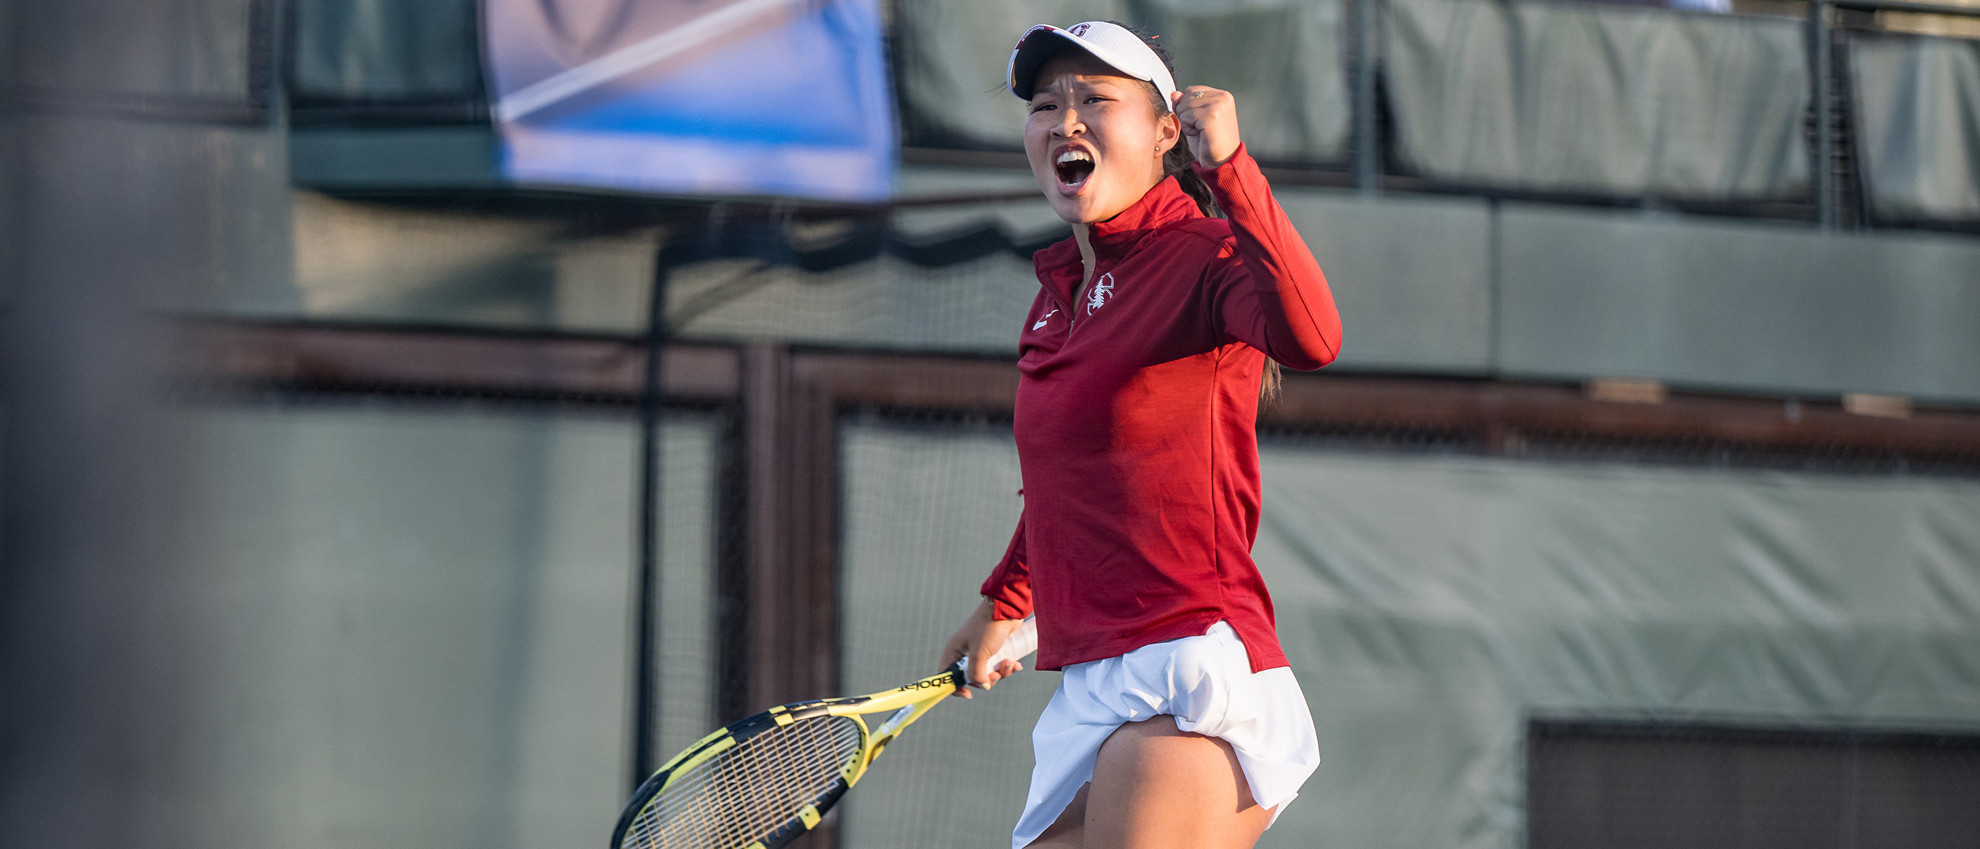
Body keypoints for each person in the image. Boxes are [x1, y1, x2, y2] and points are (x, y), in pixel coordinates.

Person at [938, 20, 1343, 849]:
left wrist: (1232, 169)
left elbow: (1312, 338)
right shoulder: (1056, 296)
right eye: (1045, 105)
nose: (1066, 120)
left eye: (1096, 99)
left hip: (1187, 666)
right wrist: (1002, 605)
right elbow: (1069, 483)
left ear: (1165, 133)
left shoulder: (1207, 255)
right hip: (1091, 678)